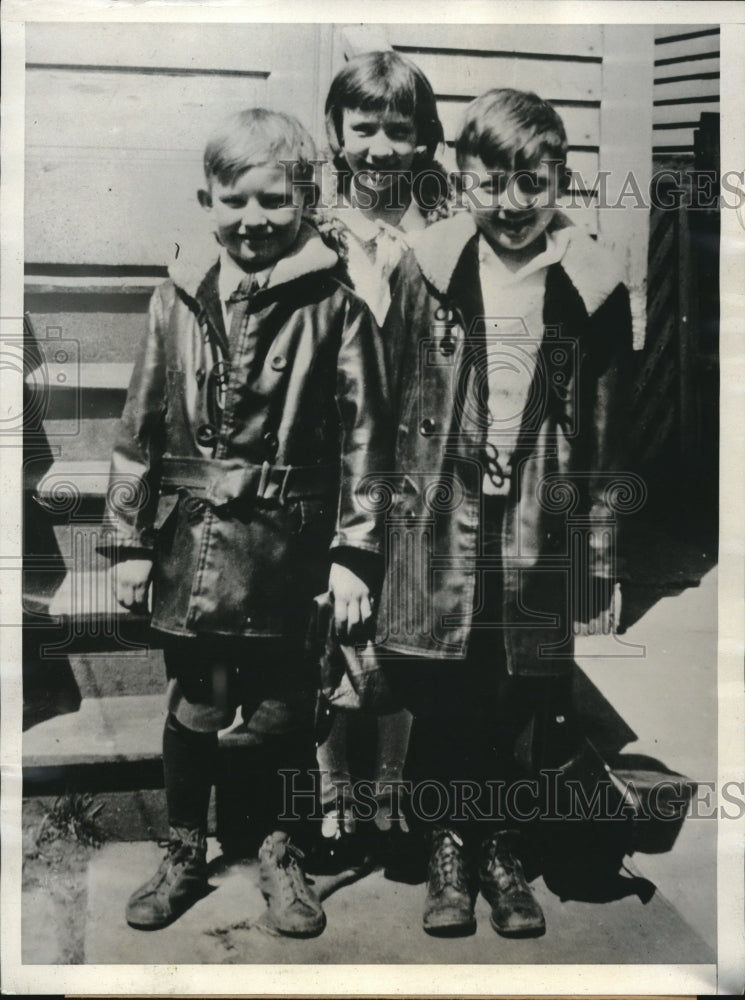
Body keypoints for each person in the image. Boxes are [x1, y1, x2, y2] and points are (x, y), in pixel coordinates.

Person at [106, 108, 388, 936]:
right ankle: (185, 849)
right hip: (192, 542)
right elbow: (138, 431)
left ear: (306, 199)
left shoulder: (336, 308)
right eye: (235, 201)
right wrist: (127, 542)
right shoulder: (176, 302)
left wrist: (353, 555)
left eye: (275, 201)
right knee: (195, 702)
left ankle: (281, 848)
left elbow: (369, 448)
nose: (254, 221)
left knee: (282, 714)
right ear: (208, 199)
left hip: (290, 549)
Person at [376, 88, 633, 937]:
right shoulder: (425, 265)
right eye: (491, 184)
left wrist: (597, 545)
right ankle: (447, 842)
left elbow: (603, 428)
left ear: (562, 178)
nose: (513, 204)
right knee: (444, 683)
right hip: (442, 513)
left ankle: (505, 850)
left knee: (523, 691)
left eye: (535, 183)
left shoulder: (591, 283)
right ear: (459, 178)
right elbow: (386, 399)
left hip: (538, 515)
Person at [307, 50, 448, 881]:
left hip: (419, 465)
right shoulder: (315, 229)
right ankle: (332, 798)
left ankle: (390, 793)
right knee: (334, 634)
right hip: (334, 460)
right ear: (336, 133)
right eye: (364, 129)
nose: (382, 148)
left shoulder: (441, 232)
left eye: (400, 131)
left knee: (393, 641)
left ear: (425, 139)